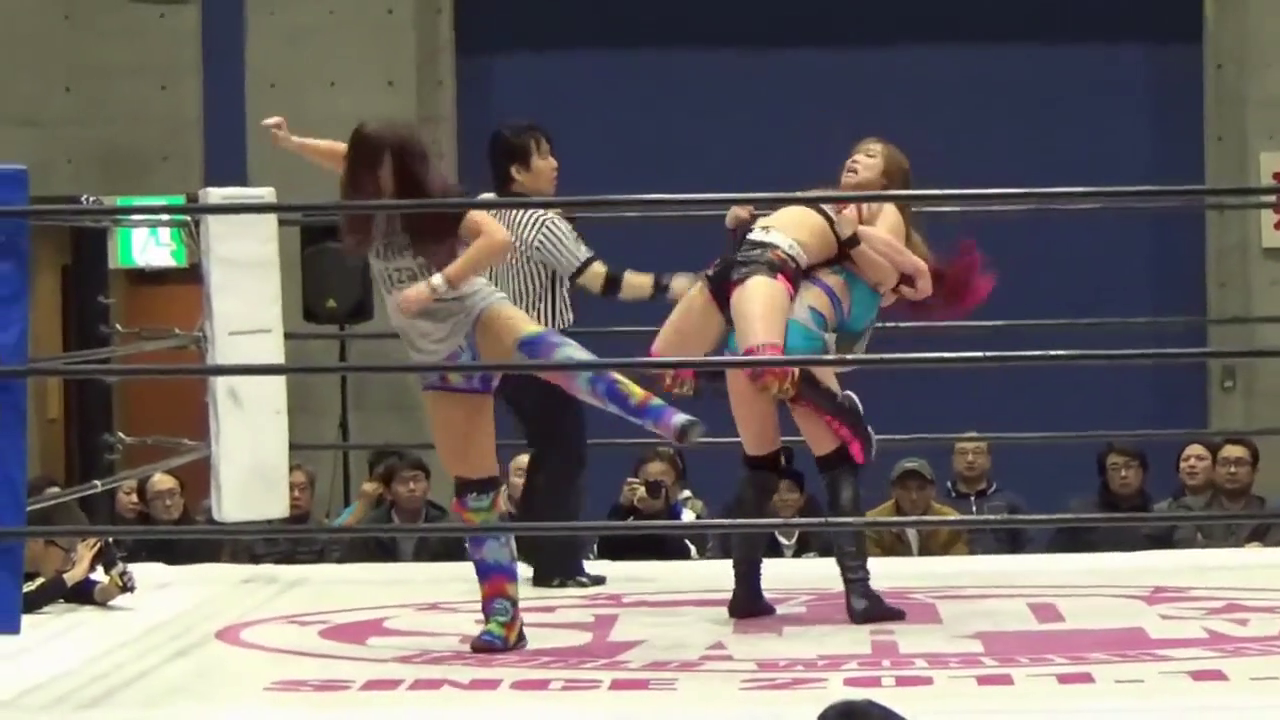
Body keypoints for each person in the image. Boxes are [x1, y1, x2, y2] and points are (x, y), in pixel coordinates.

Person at [262, 117, 704, 654]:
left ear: (403, 166)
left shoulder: (433, 201)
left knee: (548, 351)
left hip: (473, 311)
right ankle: (504, 618)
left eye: (379, 166)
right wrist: (292, 142)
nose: (368, 174)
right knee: (474, 492)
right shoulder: (364, 194)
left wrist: (436, 284)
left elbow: (496, 239)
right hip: (436, 354)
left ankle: (663, 418)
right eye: (365, 166)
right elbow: (341, 155)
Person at [688, 139, 994, 623]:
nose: (856, 158)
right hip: (792, 337)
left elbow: (884, 271)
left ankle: (745, 591)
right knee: (837, 464)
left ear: (889, 179)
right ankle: (858, 592)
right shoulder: (827, 214)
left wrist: (842, 232)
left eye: (870, 155)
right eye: (854, 153)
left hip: (748, 342)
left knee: (762, 469)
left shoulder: (874, 209)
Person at [483, 123, 699, 588]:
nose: (555, 163)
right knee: (564, 454)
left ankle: (542, 555)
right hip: (542, 352)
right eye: (543, 155)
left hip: (498, 351)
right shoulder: (543, 223)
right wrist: (670, 285)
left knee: (548, 451)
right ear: (517, 171)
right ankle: (556, 566)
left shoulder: (485, 209)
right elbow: (602, 280)